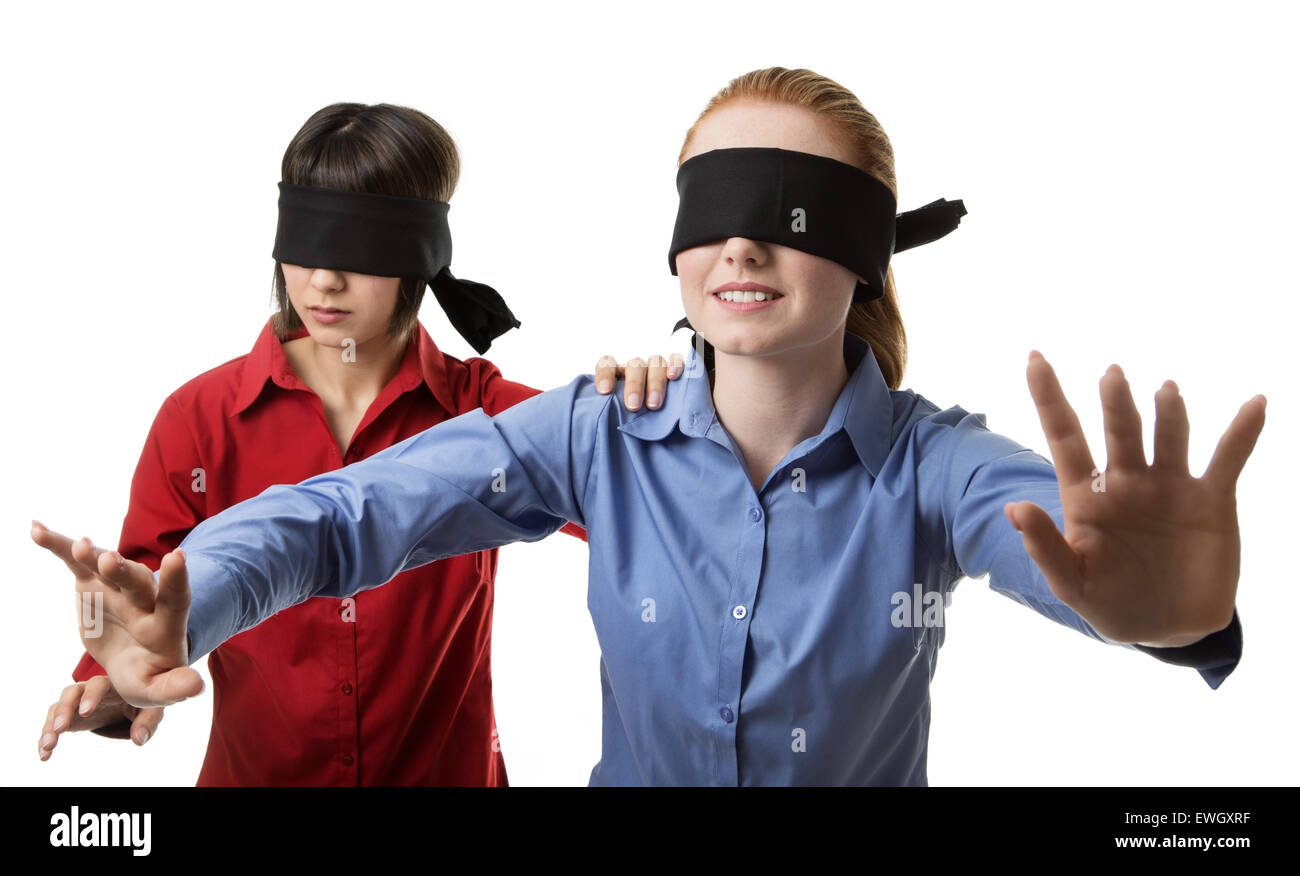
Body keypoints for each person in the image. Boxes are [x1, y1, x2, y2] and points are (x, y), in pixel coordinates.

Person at [39, 68, 1262, 785]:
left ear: (871, 255)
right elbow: (349, 512)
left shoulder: (933, 468)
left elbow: (1053, 539)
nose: (742, 241)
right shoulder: (588, 435)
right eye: (716, 206)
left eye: (793, 211)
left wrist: (1171, 614)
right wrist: (192, 597)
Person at [33, 101, 680, 785]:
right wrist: (109, 694)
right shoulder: (199, 419)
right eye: (307, 244)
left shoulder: (484, 412)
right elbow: (140, 617)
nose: (324, 280)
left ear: (422, 254)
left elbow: (650, 509)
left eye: (359, 250)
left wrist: (651, 415)